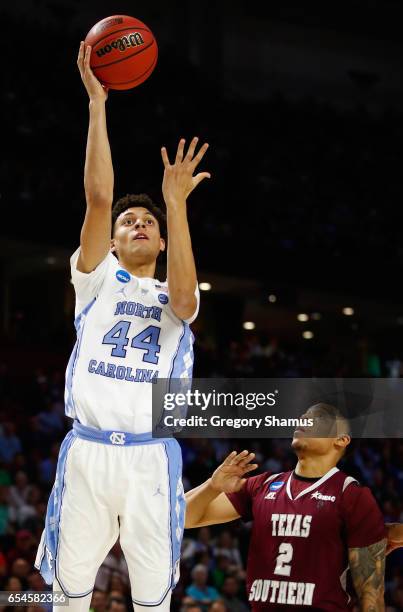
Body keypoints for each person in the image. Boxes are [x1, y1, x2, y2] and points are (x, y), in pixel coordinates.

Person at [35, 41, 210, 612]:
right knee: (68, 597)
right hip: (86, 451)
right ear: (111, 242)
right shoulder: (95, 278)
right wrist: (96, 105)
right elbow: (98, 196)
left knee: (153, 601)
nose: (137, 224)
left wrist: (175, 205)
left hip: (151, 457)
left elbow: (185, 297)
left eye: (148, 223)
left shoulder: (174, 294)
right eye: (128, 222)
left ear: (161, 241)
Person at [185, 403, 387, 610]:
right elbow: (184, 519)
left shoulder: (351, 495)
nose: (304, 419)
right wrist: (212, 486)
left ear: (341, 440)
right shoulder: (262, 485)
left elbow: (371, 594)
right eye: (304, 414)